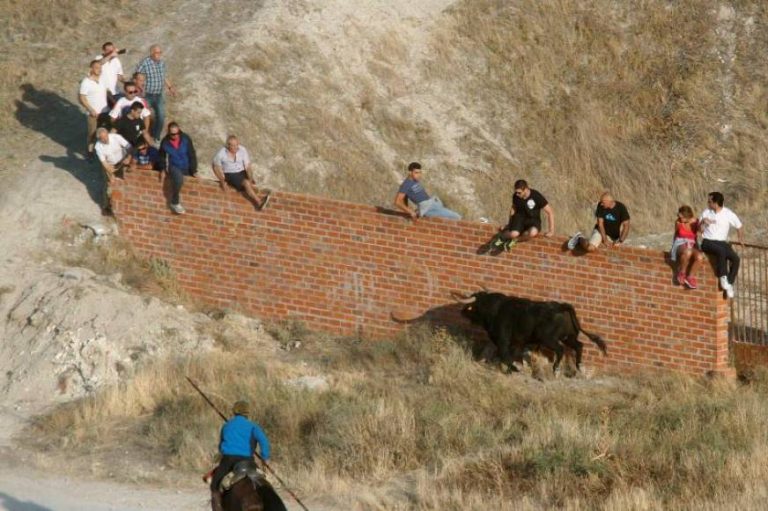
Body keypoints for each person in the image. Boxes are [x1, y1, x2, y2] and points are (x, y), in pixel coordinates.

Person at [209, 400, 270, 511]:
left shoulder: (226, 426)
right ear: (247, 412)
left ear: (234, 411)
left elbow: (221, 446)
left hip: (228, 461)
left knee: (215, 484)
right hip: (248, 461)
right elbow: (264, 442)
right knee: (261, 480)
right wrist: (264, 458)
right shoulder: (253, 426)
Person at [699, 192, 744, 298]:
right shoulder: (706, 212)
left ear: (715, 203)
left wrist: (740, 239)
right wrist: (703, 223)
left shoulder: (728, 213)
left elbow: (739, 226)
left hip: (722, 242)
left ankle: (729, 283)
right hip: (708, 241)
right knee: (721, 251)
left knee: (736, 259)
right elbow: (699, 230)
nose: (708, 203)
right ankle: (723, 277)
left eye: (709, 201)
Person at [491, 179, 554, 250]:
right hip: (519, 218)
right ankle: (501, 238)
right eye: (516, 192)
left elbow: (550, 212)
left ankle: (515, 240)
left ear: (526, 189)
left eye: (519, 192)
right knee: (514, 233)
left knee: (533, 233)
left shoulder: (536, 196)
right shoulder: (516, 196)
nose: (517, 194)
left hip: (533, 220)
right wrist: (509, 224)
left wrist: (551, 230)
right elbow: (513, 209)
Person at [212, 135, 270, 210]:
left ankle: (258, 195)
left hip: (241, 171)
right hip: (230, 173)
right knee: (246, 183)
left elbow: (247, 166)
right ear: (228, 146)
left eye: (237, 145)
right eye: (233, 146)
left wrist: (250, 178)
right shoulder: (221, 153)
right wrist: (222, 181)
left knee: (251, 183)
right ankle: (259, 202)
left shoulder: (242, 150)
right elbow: (215, 167)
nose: (236, 147)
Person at [135, 44, 176, 142]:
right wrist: (140, 89)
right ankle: (142, 137)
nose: (159, 54)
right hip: (147, 95)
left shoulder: (162, 63)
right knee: (144, 116)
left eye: (160, 52)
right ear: (151, 53)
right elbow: (137, 77)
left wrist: (170, 87)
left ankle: (156, 136)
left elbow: (164, 77)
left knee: (161, 117)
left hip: (159, 95)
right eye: (157, 52)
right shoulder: (145, 63)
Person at [393, 162, 461, 220]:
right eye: (416, 173)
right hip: (427, 208)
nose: (419, 175)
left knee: (453, 217)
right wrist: (410, 211)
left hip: (433, 203)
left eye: (420, 173)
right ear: (410, 172)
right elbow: (397, 202)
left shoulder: (414, 180)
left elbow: (405, 199)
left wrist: (410, 210)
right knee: (457, 217)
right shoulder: (406, 184)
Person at [159, 122, 197, 214]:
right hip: (174, 166)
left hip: (186, 166)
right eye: (173, 134)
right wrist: (162, 169)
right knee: (179, 179)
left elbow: (192, 154)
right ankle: (175, 202)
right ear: (168, 132)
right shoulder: (165, 142)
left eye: (177, 133)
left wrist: (194, 170)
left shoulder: (185, 138)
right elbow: (161, 157)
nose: (176, 135)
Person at [94, 127, 132, 213]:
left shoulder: (116, 137)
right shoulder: (98, 147)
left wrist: (129, 158)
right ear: (99, 139)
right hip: (110, 165)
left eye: (106, 136)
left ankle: (126, 203)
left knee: (124, 182)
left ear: (108, 134)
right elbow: (104, 162)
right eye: (102, 138)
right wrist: (111, 173)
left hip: (122, 161)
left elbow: (129, 146)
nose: (105, 139)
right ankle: (106, 206)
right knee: (108, 185)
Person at [78, 59, 110, 160]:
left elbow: (107, 93)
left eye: (100, 68)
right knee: (92, 134)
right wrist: (90, 109)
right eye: (96, 68)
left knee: (105, 132)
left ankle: (105, 151)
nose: (99, 70)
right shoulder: (86, 82)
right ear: (91, 69)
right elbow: (82, 97)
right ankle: (90, 152)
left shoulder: (103, 79)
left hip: (105, 111)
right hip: (93, 113)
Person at [670, 205, 705, 290]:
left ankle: (690, 277)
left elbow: (701, 231)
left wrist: (703, 223)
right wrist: (673, 247)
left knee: (700, 257)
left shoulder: (695, 222)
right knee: (688, 252)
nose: (679, 218)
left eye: (681, 217)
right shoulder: (678, 222)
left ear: (687, 216)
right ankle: (682, 272)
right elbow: (676, 234)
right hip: (680, 243)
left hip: (692, 244)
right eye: (679, 216)